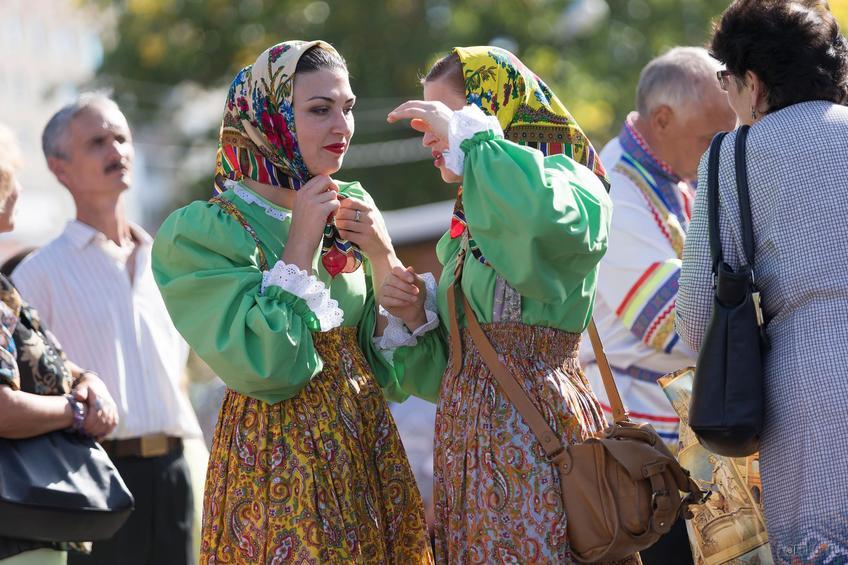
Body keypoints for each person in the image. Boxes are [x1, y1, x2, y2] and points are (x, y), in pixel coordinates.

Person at [151, 41, 433, 563]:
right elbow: (268, 366)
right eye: (319, 110)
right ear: (270, 117)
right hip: (277, 463)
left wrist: (385, 260)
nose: (343, 127)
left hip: (365, 451)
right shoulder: (203, 233)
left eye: (346, 108)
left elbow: (399, 371)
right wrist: (301, 240)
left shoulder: (352, 206)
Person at [384, 46, 638, 564]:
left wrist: (474, 142)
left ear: (493, 116)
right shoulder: (474, 212)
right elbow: (460, 371)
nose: (429, 134)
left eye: (443, 116)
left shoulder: (570, 183)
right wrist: (416, 318)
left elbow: (543, 228)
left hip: (538, 441)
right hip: (471, 452)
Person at [676, 0, 848, 561]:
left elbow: (699, 317)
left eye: (726, 78)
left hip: (807, 395)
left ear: (752, 81)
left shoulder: (732, 158)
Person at [12, 94, 203, 565]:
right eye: (97, 141)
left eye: (121, 137)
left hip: (175, 473)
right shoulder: (36, 276)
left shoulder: (169, 262)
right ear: (59, 168)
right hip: (93, 476)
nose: (116, 150)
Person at [578, 47, 735, 563]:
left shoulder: (668, 175)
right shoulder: (614, 192)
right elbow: (674, 325)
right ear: (662, 119)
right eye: (710, 138)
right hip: (648, 456)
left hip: (679, 442)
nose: (722, 151)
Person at [0, 125, 118, 564]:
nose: (19, 189)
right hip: (14, 535)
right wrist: (77, 412)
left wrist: (89, 379)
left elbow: (45, 362)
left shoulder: (4, 288)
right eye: (12, 176)